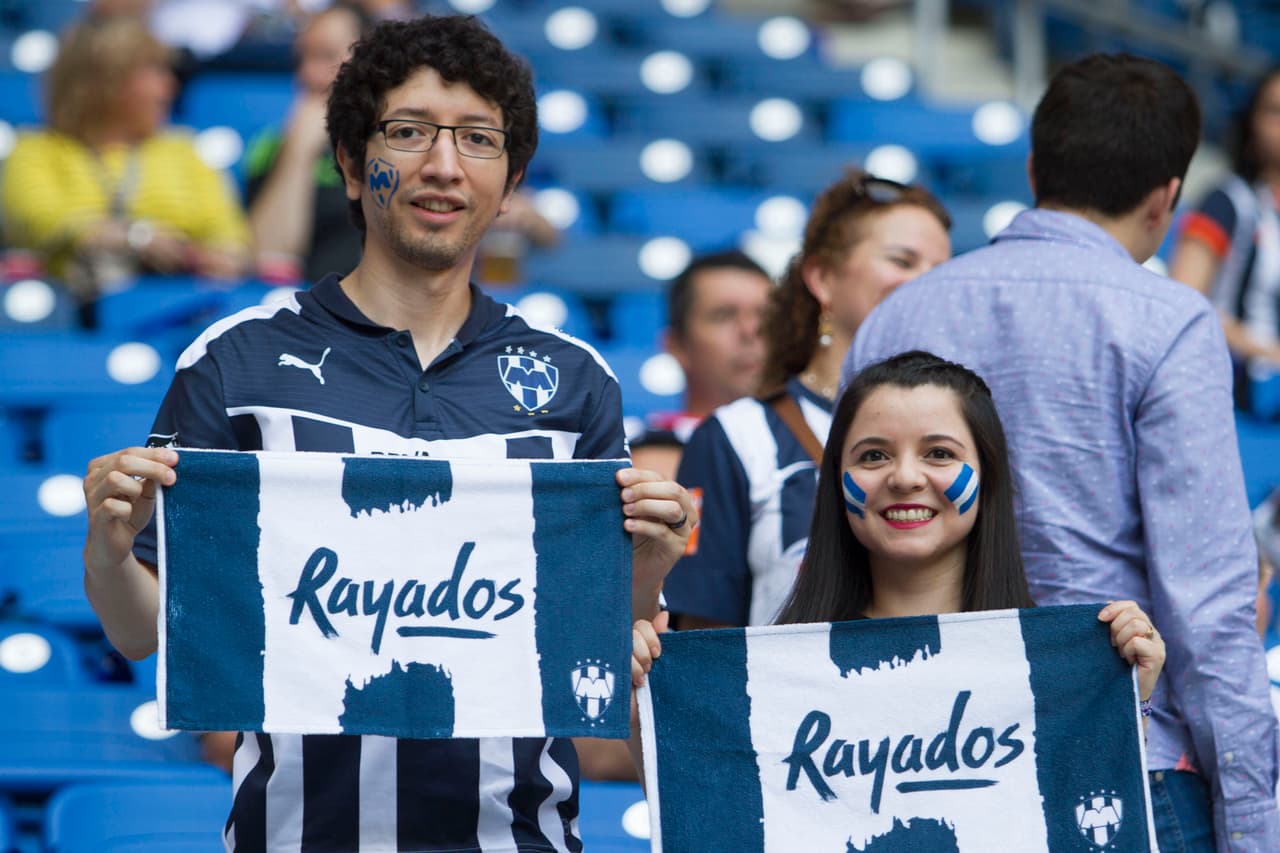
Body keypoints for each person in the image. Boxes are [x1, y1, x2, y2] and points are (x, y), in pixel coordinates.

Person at [81, 15, 696, 851]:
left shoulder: (577, 380)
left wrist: (644, 574)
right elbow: (141, 630)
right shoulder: (238, 361)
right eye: (407, 133)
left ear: (510, 180)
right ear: (347, 161)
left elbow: (588, 654)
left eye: (479, 139)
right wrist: (110, 550)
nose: (443, 165)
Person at [845, 53, 1279, 851]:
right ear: (1167, 200)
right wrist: (1254, 825)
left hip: (924, 758)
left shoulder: (896, 316)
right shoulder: (1171, 321)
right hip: (1121, 758)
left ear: (1035, 167)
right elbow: (1208, 606)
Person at [631, 352, 1166, 764]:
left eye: (939, 453)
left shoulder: (1056, 664)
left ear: (990, 477)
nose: (906, 477)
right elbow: (712, 819)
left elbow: (1085, 817)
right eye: (874, 455)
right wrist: (638, 713)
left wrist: (1128, 704)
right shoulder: (766, 674)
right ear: (835, 485)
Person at [662, 170, 950, 630]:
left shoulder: (970, 427)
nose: (929, 285)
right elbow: (703, 642)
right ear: (822, 277)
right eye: (903, 261)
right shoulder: (735, 438)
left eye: (942, 270)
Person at [1, 16, 251, 311]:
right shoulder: (34, 151)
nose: (169, 87)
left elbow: (231, 241)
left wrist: (203, 258)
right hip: (67, 307)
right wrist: (139, 239)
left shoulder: (184, 150)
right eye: (155, 72)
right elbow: (43, 225)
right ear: (106, 82)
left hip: (181, 305)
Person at [245, 1, 372, 283]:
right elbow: (268, 257)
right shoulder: (270, 146)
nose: (307, 74)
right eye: (302, 59)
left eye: (326, 56)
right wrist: (299, 151)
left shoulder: (401, 143)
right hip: (302, 311)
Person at [1170, 66, 1280, 390]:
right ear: (1252, 124)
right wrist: (1266, 351)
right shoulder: (1227, 202)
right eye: (1275, 111)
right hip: (1234, 399)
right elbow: (1183, 302)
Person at [628, 250, 772, 483]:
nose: (750, 331)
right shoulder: (644, 465)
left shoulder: (824, 442)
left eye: (766, 316)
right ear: (677, 346)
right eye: (723, 316)